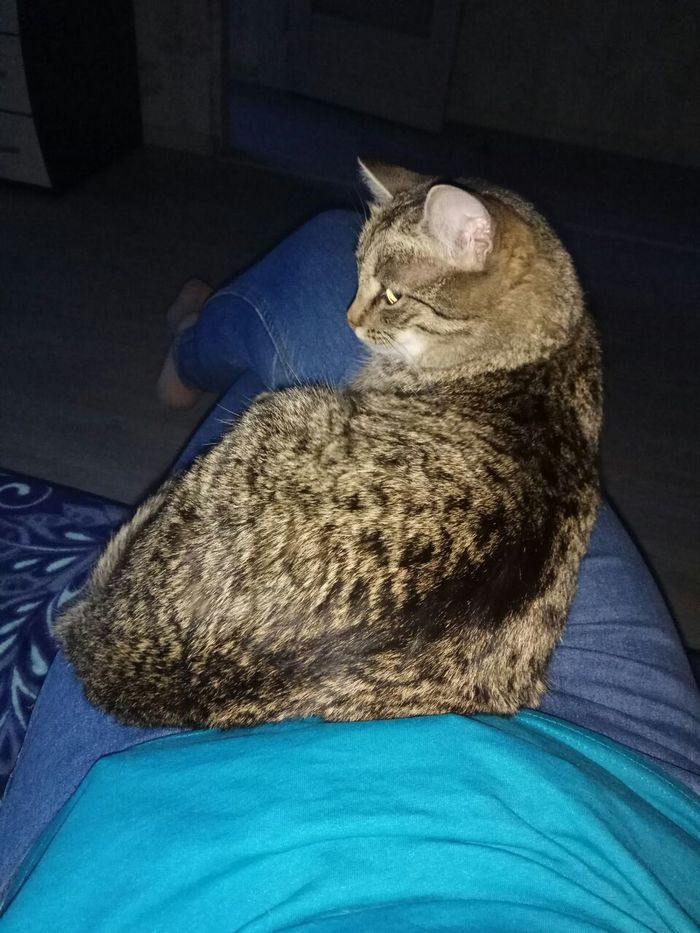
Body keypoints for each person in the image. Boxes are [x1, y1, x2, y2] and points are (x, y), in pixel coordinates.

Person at [1, 210, 698, 928]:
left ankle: (194, 342)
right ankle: (198, 337)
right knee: (335, 276)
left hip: (165, 817)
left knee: (304, 318)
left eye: (380, 297)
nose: (353, 317)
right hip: (625, 804)